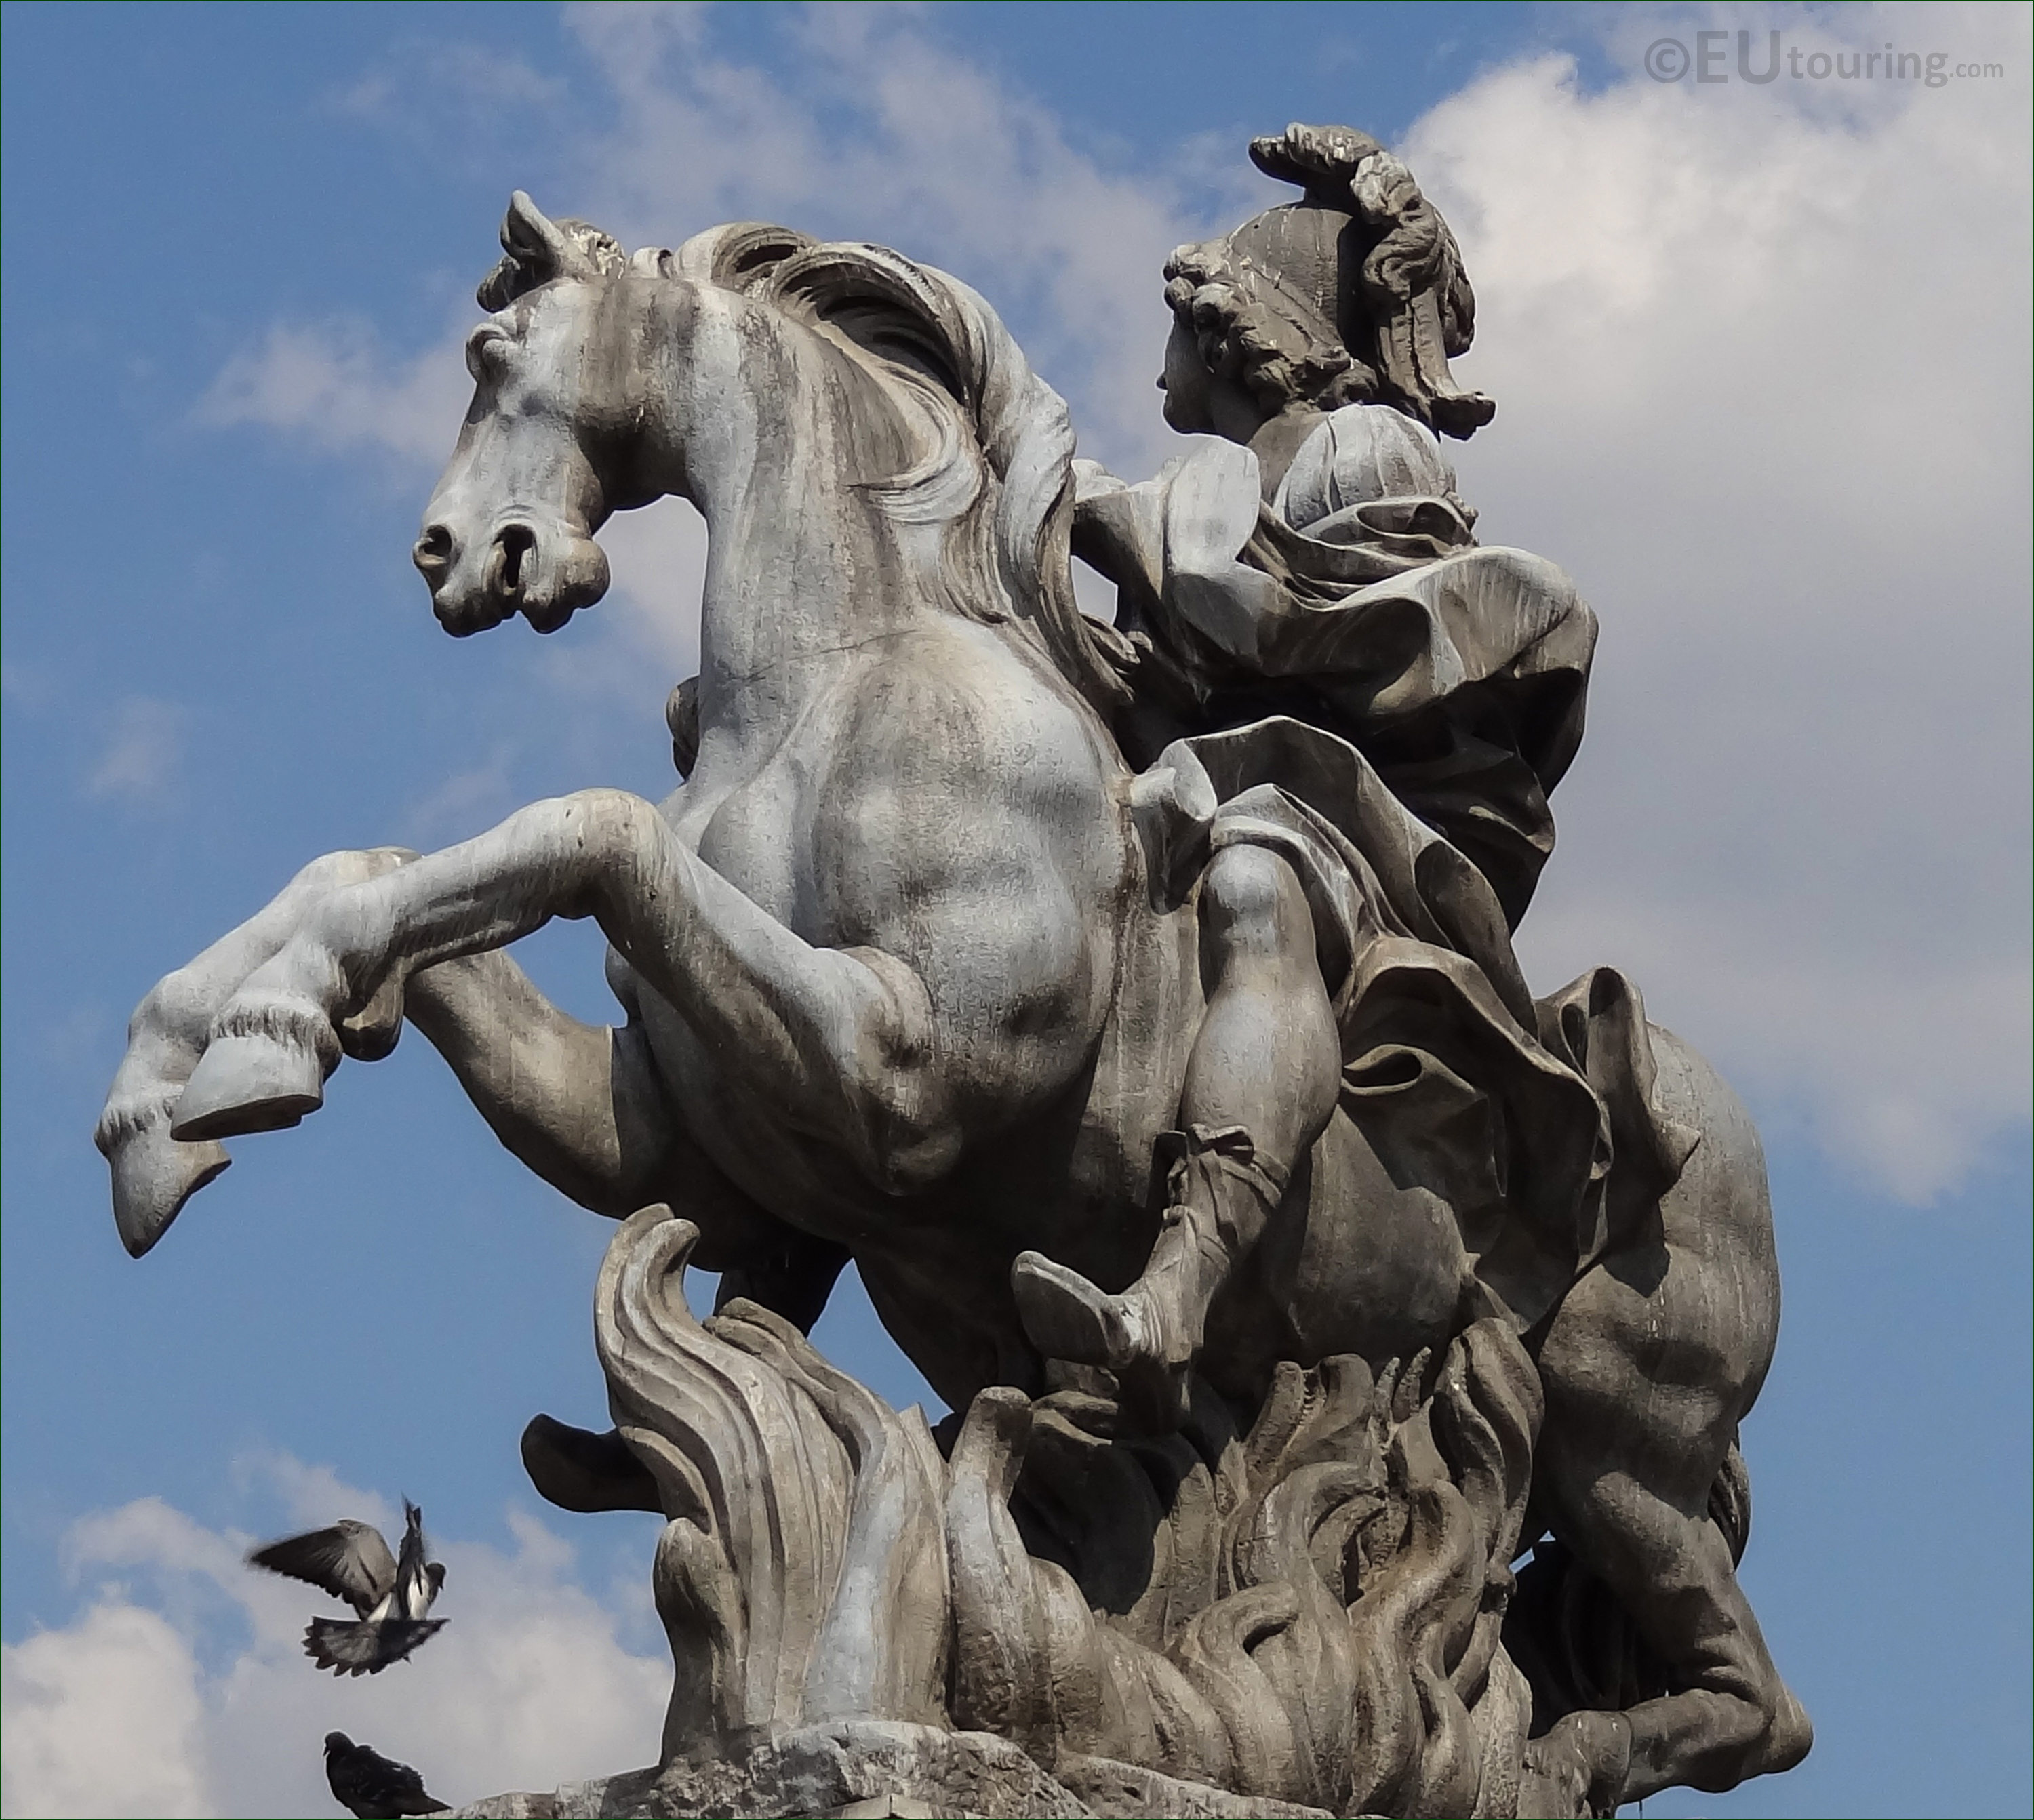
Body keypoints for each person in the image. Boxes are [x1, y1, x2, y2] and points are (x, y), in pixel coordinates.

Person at [1012, 125, 1612, 1428]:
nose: (1162, 351)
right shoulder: (1201, 484)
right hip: (1194, 773)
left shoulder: (1360, 454)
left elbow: (1332, 628)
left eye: (1183, 317)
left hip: (1351, 811)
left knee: (1254, 887)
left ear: (1238, 330)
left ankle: (1179, 1283)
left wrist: (1123, 526)